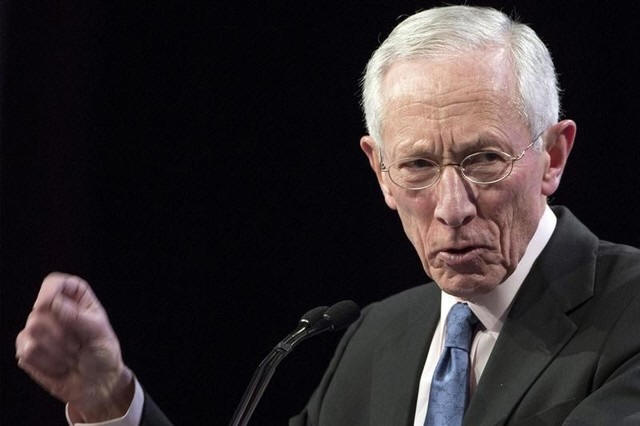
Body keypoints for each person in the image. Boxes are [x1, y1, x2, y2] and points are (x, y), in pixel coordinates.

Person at [15, 5, 640, 426]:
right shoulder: (374, 341)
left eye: (483, 160)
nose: (452, 207)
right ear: (380, 172)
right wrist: (110, 404)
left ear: (553, 156)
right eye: (418, 166)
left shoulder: (629, 316)